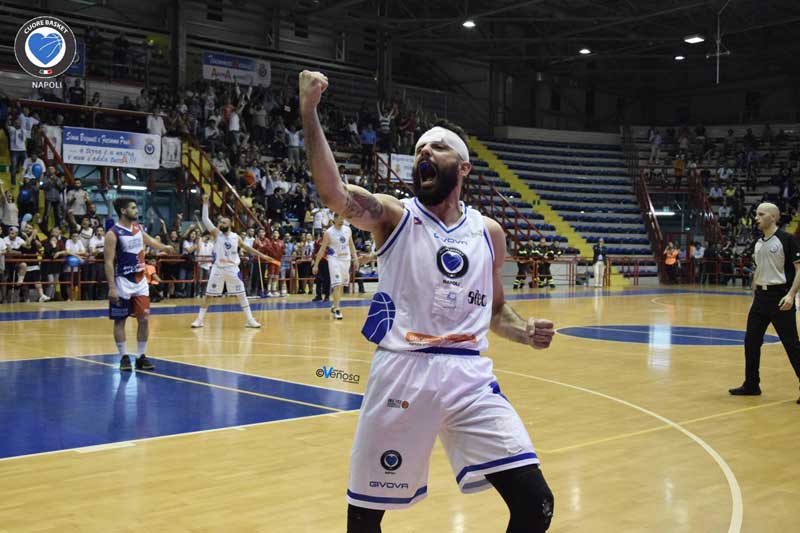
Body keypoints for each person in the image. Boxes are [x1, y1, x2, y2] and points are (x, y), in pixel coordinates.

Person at [300, 70, 556, 533]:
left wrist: (523, 331)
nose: (424, 153)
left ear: (462, 168)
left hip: (469, 377)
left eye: (436, 148)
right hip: (403, 371)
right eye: (419, 149)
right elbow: (333, 193)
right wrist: (309, 112)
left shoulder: (489, 233)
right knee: (364, 518)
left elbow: (497, 310)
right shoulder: (394, 216)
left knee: (536, 504)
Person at [729, 203, 800, 404]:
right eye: (757, 214)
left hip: (780, 298)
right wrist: (754, 298)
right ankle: (752, 384)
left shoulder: (787, 239)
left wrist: (791, 295)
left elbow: (799, 270)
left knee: (792, 345)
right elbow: (758, 272)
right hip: (760, 299)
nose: (757, 218)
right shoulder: (758, 243)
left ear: (773, 217)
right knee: (750, 342)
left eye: (761, 214)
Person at [104, 198, 175, 371]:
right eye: (133, 208)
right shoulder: (113, 234)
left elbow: (150, 240)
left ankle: (141, 356)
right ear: (123, 210)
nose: (136, 211)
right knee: (120, 321)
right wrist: (112, 287)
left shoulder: (137, 228)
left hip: (140, 281)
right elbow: (108, 262)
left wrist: (164, 247)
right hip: (122, 282)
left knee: (144, 319)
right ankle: (123, 357)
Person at [190, 194, 277, 329]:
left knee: (241, 295)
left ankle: (250, 319)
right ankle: (199, 320)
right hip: (218, 269)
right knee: (209, 296)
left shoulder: (236, 237)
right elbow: (205, 219)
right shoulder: (216, 234)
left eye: (224, 222)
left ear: (230, 224)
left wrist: (263, 256)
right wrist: (205, 204)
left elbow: (247, 248)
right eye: (220, 222)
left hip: (232, 270)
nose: (221, 224)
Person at [313, 213, 358, 319]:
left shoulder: (348, 230)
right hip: (334, 259)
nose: (342, 220)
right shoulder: (329, 232)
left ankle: (334, 305)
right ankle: (337, 309)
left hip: (346, 259)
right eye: (340, 218)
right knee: (337, 285)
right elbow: (322, 249)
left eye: (343, 217)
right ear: (334, 219)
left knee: (341, 285)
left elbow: (351, 245)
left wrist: (355, 258)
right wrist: (316, 264)